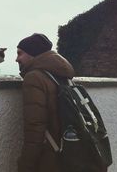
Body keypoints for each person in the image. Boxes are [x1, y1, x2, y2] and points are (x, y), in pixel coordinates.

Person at [16, 33, 75, 172]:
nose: (16, 59)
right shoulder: (62, 76)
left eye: (20, 53)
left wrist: (25, 166)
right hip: (69, 152)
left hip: (51, 159)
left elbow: (34, 129)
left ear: (33, 54)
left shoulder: (34, 78)